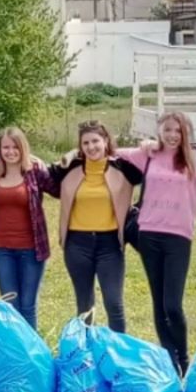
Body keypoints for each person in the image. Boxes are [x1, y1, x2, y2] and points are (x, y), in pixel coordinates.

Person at [120, 112, 196, 374]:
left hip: (179, 238)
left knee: (172, 304)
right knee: (158, 302)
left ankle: (184, 359)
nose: (173, 135)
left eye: (178, 130)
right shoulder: (148, 155)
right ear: (159, 131)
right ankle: (169, 360)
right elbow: (111, 153)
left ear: (186, 134)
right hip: (149, 234)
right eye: (168, 130)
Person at [52, 120, 140, 332]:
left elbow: (151, 166)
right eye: (85, 143)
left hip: (110, 244)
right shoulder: (69, 169)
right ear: (80, 146)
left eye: (96, 141)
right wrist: (72, 154)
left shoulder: (124, 168)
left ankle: (118, 354)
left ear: (106, 141)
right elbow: (42, 171)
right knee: (84, 305)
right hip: (77, 244)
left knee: (114, 303)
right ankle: (86, 352)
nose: (91, 147)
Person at [0, 126, 58, 330]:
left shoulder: (35, 171)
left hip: (31, 249)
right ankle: (15, 354)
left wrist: (52, 164)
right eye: (6, 147)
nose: (10, 151)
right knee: (9, 306)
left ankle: (30, 356)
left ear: (23, 149)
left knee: (28, 306)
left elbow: (58, 189)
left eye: (15, 147)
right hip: (3, 251)